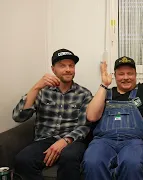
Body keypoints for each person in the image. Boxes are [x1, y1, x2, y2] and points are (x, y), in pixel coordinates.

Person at [12, 49, 93, 180]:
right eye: (62, 65)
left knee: (70, 158)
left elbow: (85, 126)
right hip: (44, 140)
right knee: (23, 160)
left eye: (71, 65)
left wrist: (65, 141)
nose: (68, 69)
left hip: (72, 141)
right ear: (53, 69)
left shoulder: (84, 94)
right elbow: (18, 117)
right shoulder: (42, 91)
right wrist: (36, 87)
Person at [82, 56, 143, 180]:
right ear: (115, 76)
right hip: (103, 142)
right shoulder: (105, 92)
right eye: (121, 74)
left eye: (130, 73)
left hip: (134, 142)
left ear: (136, 75)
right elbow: (91, 116)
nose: (126, 77)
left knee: (133, 164)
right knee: (92, 162)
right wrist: (104, 85)